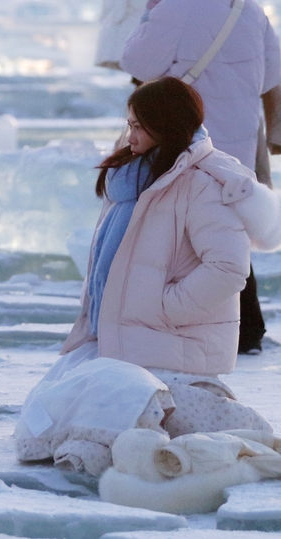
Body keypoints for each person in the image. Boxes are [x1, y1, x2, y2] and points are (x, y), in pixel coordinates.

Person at [15, 78, 281, 477]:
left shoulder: (199, 184)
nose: (130, 133)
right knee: (42, 424)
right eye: (129, 123)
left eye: (139, 125)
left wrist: (163, 308)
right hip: (120, 341)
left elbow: (228, 268)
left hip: (171, 345)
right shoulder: (133, 178)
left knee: (109, 419)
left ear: (166, 125)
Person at [120, 0, 281, 354]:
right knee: (226, 236)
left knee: (176, 238)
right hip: (235, 143)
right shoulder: (250, 9)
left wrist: (149, 13)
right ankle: (246, 329)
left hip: (186, 142)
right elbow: (272, 75)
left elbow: (136, 62)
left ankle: (202, 328)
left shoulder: (175, 8)